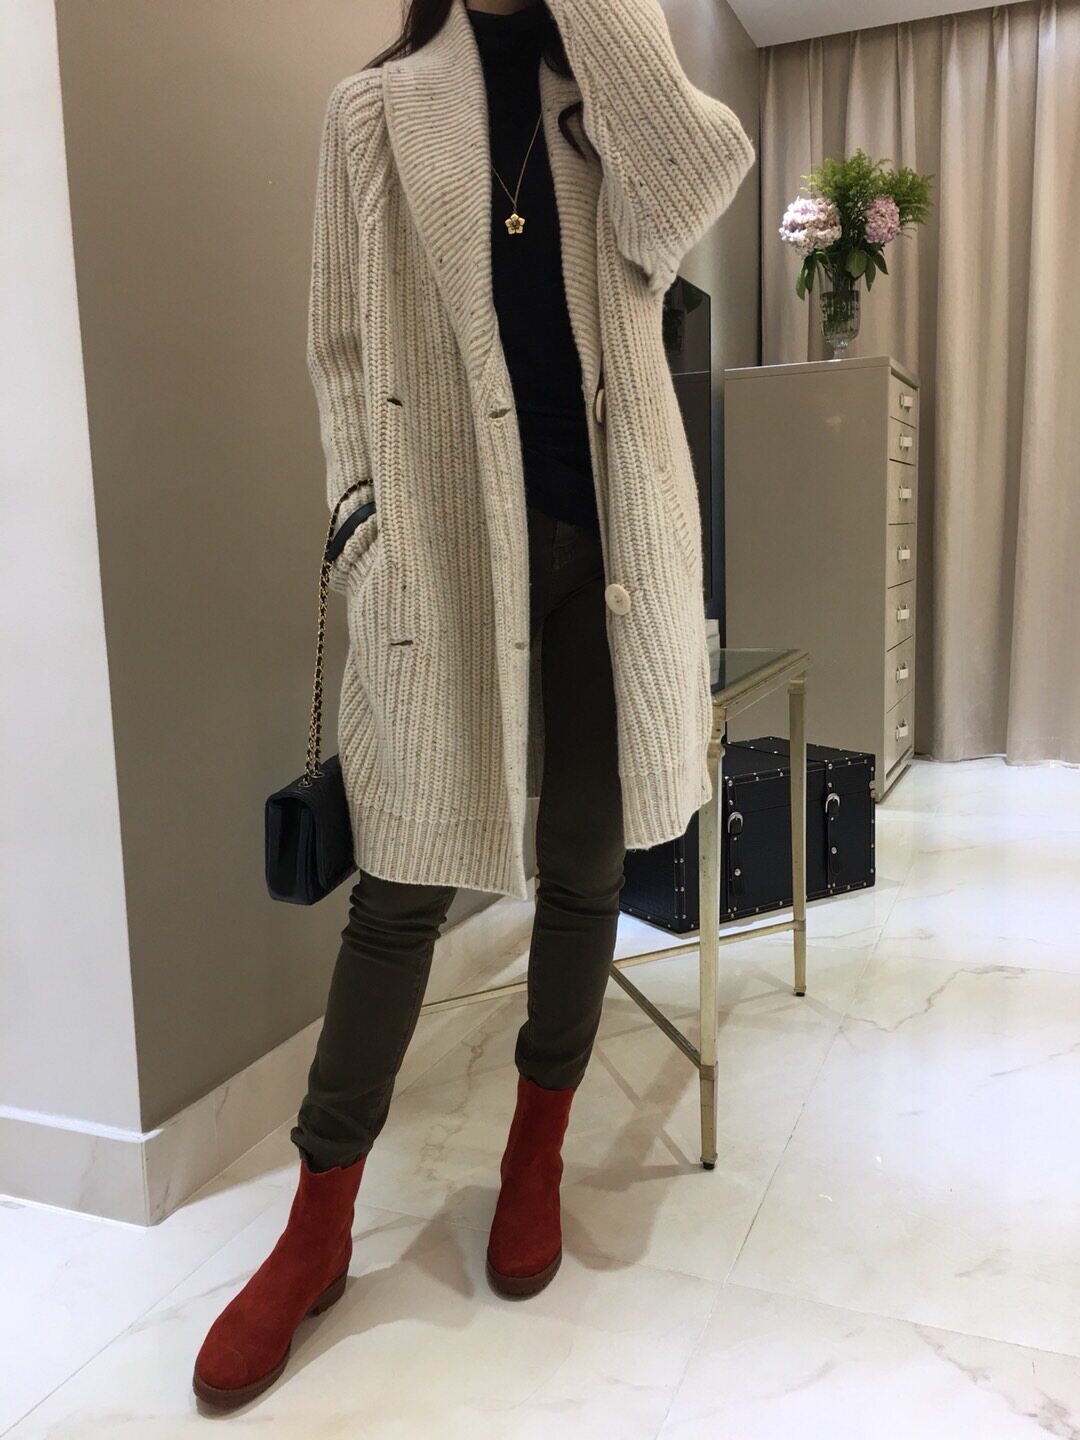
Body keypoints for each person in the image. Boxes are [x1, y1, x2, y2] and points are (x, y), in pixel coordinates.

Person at [193, 0, 754, 1410]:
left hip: (611, 547)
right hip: (441, 550)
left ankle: (535, 1154)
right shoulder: (373, 113)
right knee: (399, 883)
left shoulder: (608, 87)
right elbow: (337, 345)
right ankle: (318, 1222)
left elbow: (697, 182)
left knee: (585, 863)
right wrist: (362, 526)